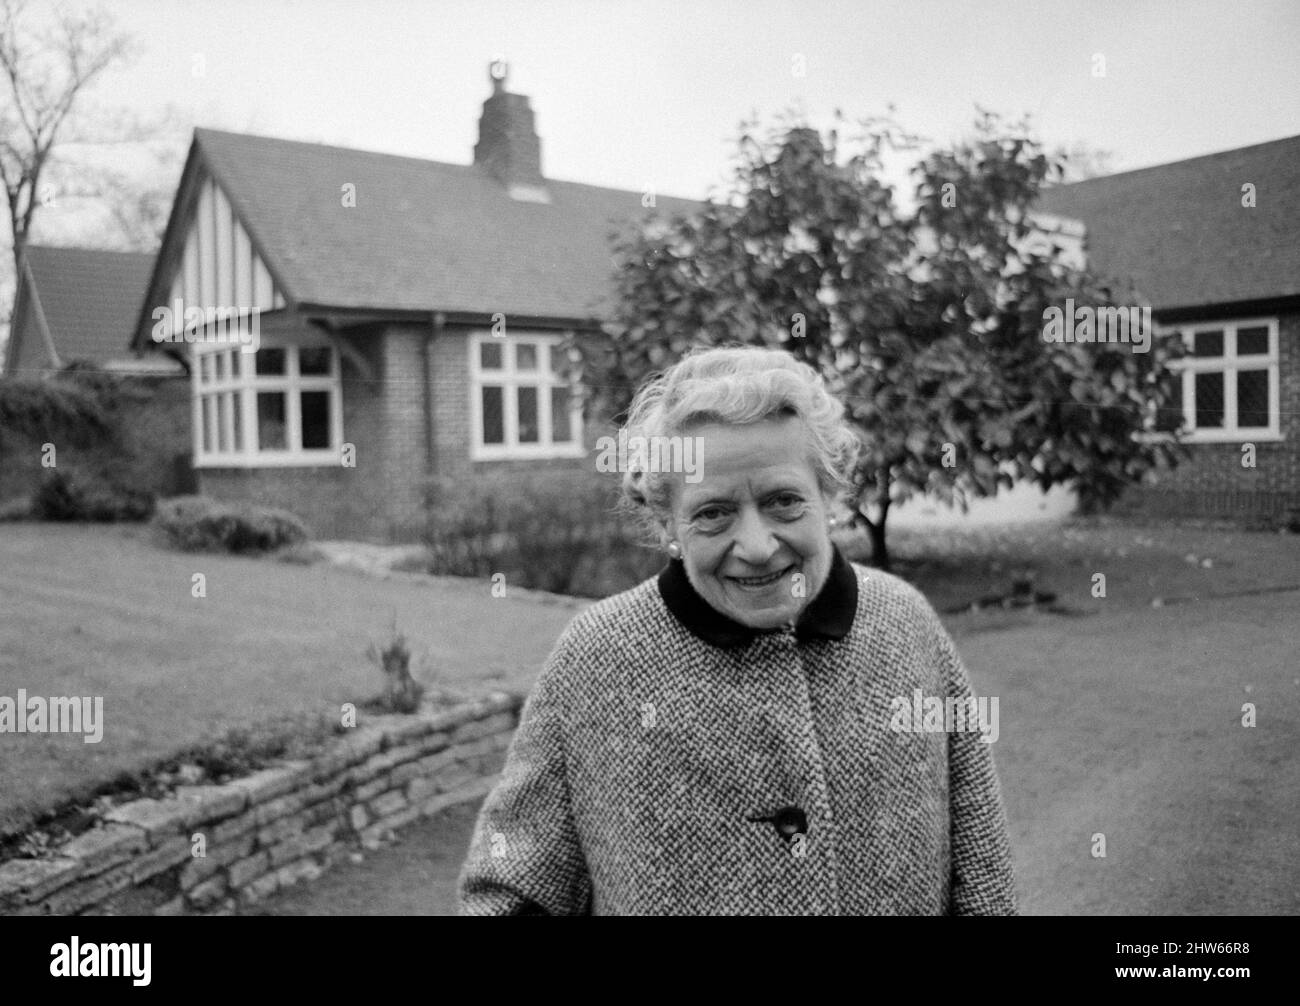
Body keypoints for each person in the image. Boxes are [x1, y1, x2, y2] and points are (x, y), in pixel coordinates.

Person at [458, 345, 1016, 915]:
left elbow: (982, 869)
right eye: (712, 512)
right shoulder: (597, 660)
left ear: (830, 498)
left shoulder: (905, 625)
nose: (756, 547)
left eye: (784, 502)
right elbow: (511, 891)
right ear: (667, 523)